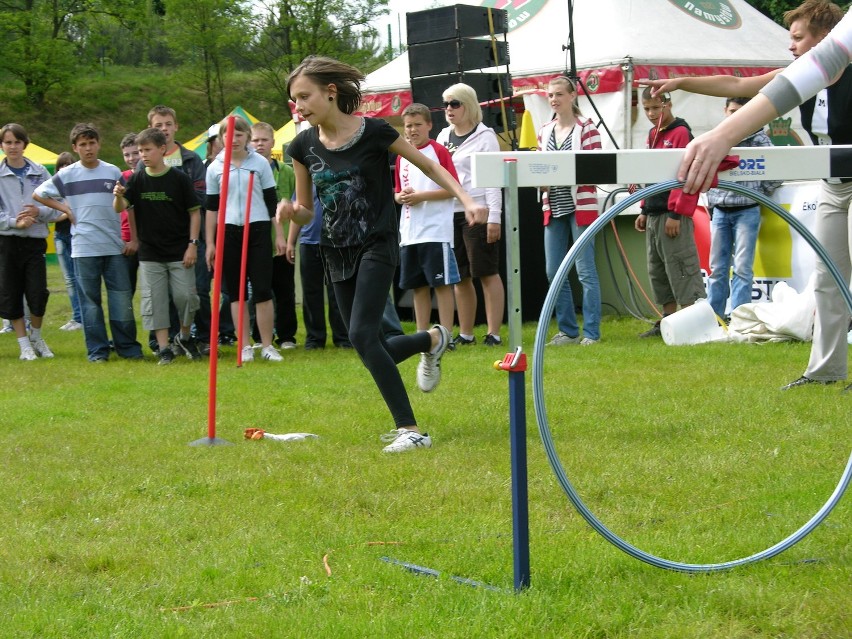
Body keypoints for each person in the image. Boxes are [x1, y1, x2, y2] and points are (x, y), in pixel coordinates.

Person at [279, 56, 487, 452]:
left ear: (330, 91)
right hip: (334, 249)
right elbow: (306, 209)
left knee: (360, 334)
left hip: (377, 242)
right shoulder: (301, 146)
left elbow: (429, 166)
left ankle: (410, 430)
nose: (299, 106)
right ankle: (431, 338)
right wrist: (292, 212)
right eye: (294, 100)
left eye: (304, 96)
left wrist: (466, 199)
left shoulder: (374, 131)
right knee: (365, 344)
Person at [672, 6, 852, 391]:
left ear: (826, 39)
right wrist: (683, 82)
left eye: (798, 38)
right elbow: (738, 85)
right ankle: (824, 371)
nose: (790, 46)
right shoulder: (798, 75)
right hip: (833, 187)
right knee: (826, 279)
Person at [33, 123, 143, 362]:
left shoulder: (113, 171)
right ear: (75, 147)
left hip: (114, 247)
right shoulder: (67, 174)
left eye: (92, 143)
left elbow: (127, 205)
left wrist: (134, 238)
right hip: (83, 249)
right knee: (90, 304)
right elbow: (38, 194)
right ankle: (98, 351)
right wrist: (65, 209)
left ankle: (128, 348)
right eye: (82, 144)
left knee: (121, 299)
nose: (88, 148)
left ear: (99, 144)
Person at [113, 127, 202, 366]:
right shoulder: (137, 180)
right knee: (156, 301)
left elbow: (194, 213)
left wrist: (192, 244)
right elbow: (120, 208)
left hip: (179, 251)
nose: (142, 155)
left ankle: (183, 336)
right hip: (150, 254)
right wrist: (119, 195)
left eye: (147, 149)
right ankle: (164, 349)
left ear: (162, 149)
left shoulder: (179, 179)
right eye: (140, 150)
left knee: (186, 297)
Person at [204, 115, 284, 363]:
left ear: (247, 137)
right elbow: (211, 208)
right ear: (221, 138)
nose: (234, 139)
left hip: (258, 228)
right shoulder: (214, 167)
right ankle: (244, 346)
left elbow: (272, 202)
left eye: (239, 134)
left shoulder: (259, 163)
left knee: (262, 289)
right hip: (228, 231)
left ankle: (268, 345)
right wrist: (210, 243)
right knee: (236, 294)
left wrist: (279, 234)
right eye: (228, 134)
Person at [436, 83, 505, 347]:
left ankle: (493, 332)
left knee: (486, 272)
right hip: (448, 211)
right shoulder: (442, 136)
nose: (449, 110)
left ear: (469, 104)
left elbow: (493, 179)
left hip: (478, 211)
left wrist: (495, 217)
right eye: (446, 105)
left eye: (455, 104)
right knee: (459, 275)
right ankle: (465, 333)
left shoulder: (485, 136)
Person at [536, 76, 603, 346]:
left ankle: (591, 333)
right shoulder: (544, 130)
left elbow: (597, 168)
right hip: (554, 205)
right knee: (554, 271)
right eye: (550, 95)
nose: (554, 99)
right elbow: (539, 168)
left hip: (582, 206)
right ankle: (568, 331)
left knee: (585, 269)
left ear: (572, 95)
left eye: (559, 94)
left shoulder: (587, 128)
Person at [634, 89, 706, 338]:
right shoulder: (653, 134)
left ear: (668, 104)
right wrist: (644, 208)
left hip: (672, 214)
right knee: (658, 269)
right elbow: (650, 175)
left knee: (681, 266)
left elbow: (685, 177)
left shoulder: (681, 132)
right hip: (654, 213)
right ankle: (668, 318)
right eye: (646, 109)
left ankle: (693, 320)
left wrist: (677, 214)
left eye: (656, 108)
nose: (652, 114)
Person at [146, 105, 213, 354]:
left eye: (167, 124)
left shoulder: (192, 159)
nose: (163, 129)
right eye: (157, 125)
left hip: (193, 236)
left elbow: (200, 197)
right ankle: (170, 341)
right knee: (164, 294)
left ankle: (203, 338)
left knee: (199, 290)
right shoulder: (147, 161)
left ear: (176, 126)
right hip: (160, 241)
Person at [705, 98, 781, 319]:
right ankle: (714, 317)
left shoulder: (760, 140)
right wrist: (712, 199)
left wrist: (758, 191)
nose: (735, 116)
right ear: (725, 111)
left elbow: (777, 173)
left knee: (742, 268)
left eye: (740, 112)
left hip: (747, 210)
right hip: (720, 210)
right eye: (732, 111)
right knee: (717, 269)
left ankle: (739, 318)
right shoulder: (717, 137)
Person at [394, 103, 461, 337]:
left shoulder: (438, 152)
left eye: (418, 125)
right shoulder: (402, 155)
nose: (413, 130)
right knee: (417, 286)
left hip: (436, 231)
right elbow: (397, 190)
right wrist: (400, 197)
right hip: (410, 233)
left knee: (441, 285)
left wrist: (421, 197)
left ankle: (446, 334)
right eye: (408, 126)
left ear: (429, 126)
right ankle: (422, 335)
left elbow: (453, 188)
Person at [0, 123, 64, 360]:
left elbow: (57, 204)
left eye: (17, 142)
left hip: (35, 241)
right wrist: (14, 222)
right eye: (8, 142)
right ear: (2, 146)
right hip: (7, 242)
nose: (13, 146)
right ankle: (23, 344)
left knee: (38, 292)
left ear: (25, 144)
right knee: (11, 292)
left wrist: (38, 213)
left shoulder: (40, 172)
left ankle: (36, 336)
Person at [251, 121, 298, 349]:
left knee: (285, 290)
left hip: (283, 240)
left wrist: (290, 241)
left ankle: (287, 336)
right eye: (255, 140)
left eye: (264, 140)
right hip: (257, 241)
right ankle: (260, 336)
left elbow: (294, 203)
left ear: (272, 142)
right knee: (260, 291)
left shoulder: (287, 172)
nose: (259, 144)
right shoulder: (248, 171)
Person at [287, 186, 351, 349]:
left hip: (336, 243)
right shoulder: (306, 181)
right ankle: (315, 339)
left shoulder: (337, 180)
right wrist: (290, 242)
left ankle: (343, 337)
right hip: (309, 243)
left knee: (337, 292)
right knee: (311, 293)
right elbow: (297, 211)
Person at [52, 151, 83, 331]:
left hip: (76, 236)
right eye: (61, 166)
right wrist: (67, 212)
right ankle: (76, 316)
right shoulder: (53, 189)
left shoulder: (77, 187)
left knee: (80, 278)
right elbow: (51, 216)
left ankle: (82, 317)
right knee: (70, 279)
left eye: (68, 165)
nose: (64, 169)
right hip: (61, 236)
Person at [118, 133, 141, 296]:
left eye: (135, 153)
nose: (132, 158)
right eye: (127, 154)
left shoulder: (149, 175)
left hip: (148, 239)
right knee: (126, 288)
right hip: (126, 240)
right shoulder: (121, 178)